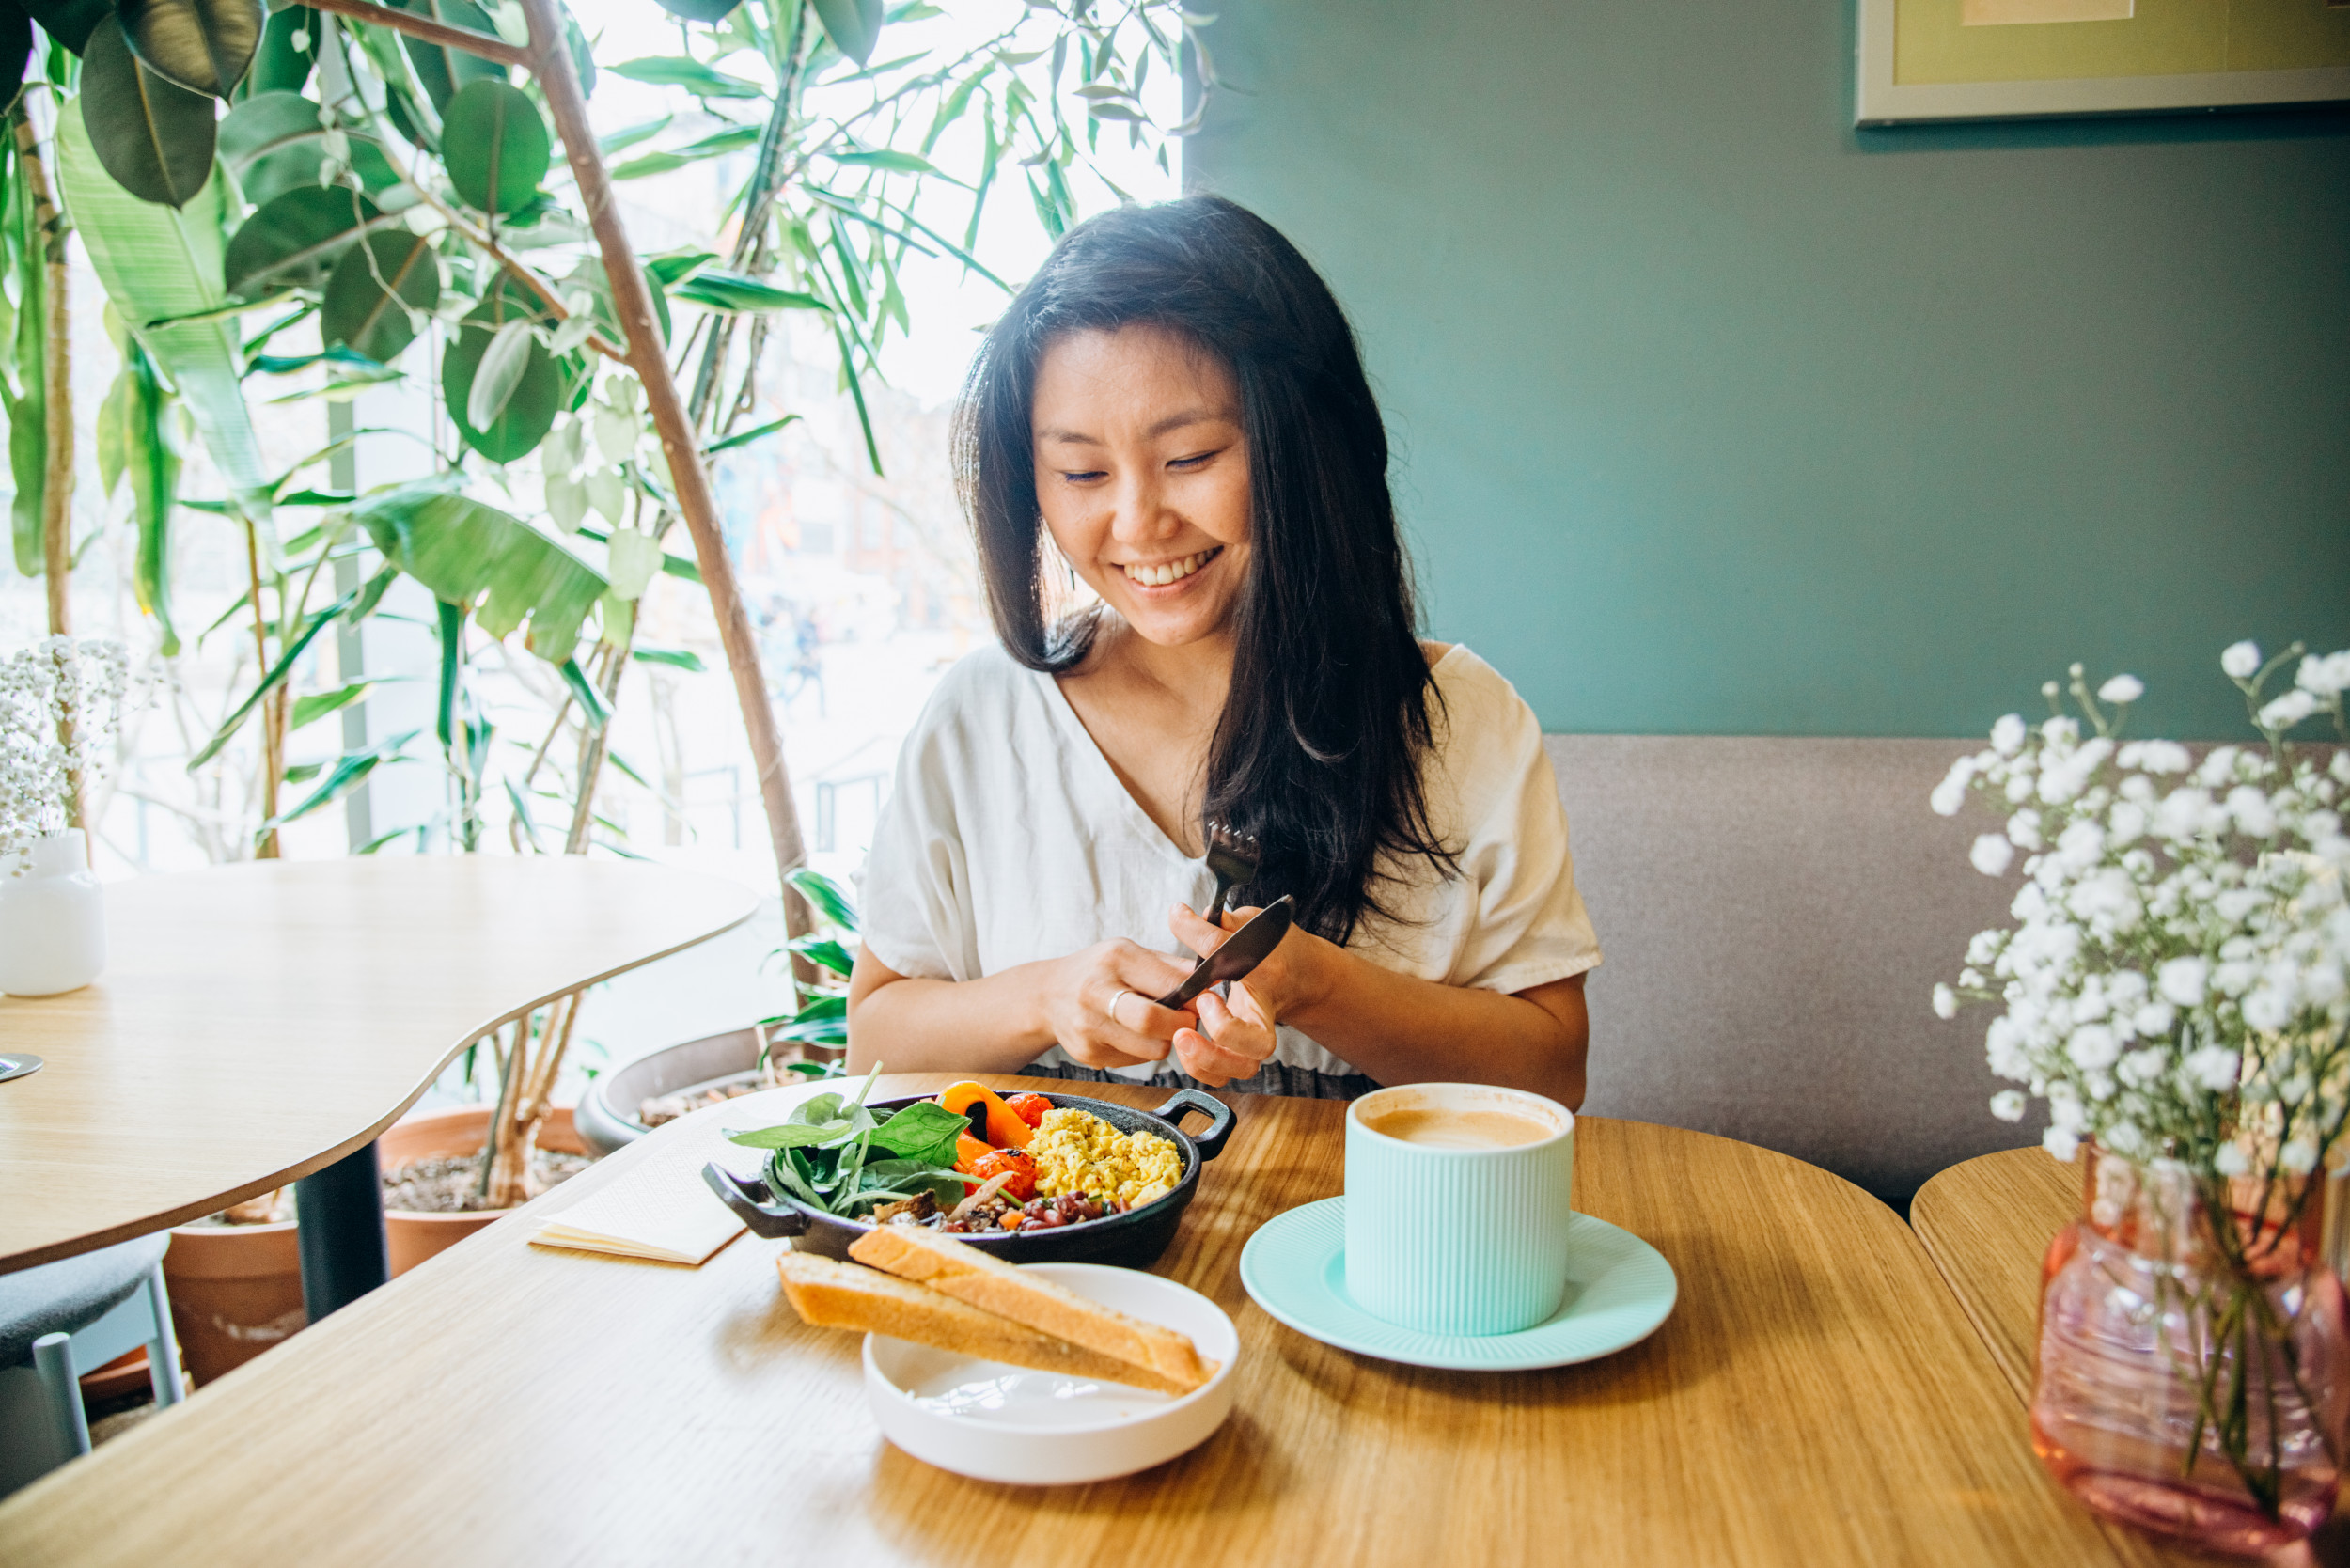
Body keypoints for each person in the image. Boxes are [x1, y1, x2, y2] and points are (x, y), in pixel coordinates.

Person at [845, 196, 1598, 1106]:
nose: (1138, 523)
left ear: (1301, 447)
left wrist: (1318, 985)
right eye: (1081, 471)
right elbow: (873, 1045)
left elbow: (1549, 1076)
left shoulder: (1457, 718)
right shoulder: (982, 714)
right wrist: (1044, 997)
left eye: (1191, 456)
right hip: (1044, 1241)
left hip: (1360, 1239)